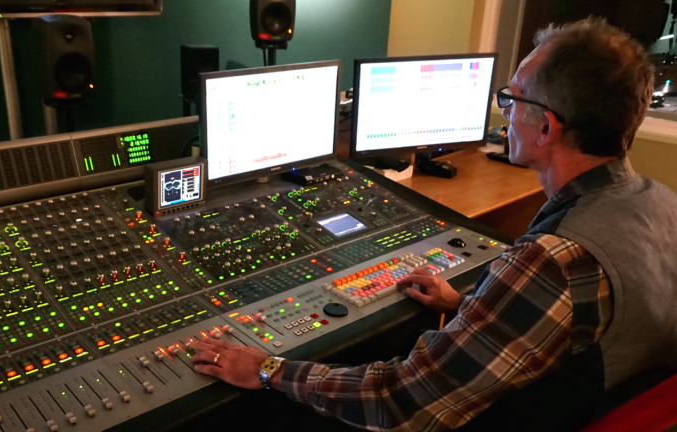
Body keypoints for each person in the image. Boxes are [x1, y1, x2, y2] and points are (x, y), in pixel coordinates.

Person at [189, 18, 677, 431]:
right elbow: (570, 331)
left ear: (547, 127)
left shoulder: (553, 262)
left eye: (513, 99)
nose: (505, 113)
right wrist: (469, 304)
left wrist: (270, 369)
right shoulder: (660, 203)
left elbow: (397, 402)